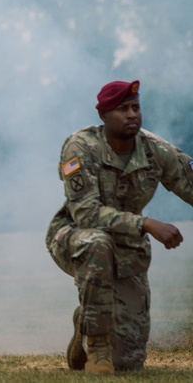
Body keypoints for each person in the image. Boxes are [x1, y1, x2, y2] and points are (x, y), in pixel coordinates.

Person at [46, 80, 193, 374]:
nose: (131, 115)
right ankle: (97, 347)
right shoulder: (80, 146)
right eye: (122, 109)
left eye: (136, 108)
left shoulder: (155, 150)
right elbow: (86, 213)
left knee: (127, 363)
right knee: (97, 243)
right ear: (103, 116)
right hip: (75, 237)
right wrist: (147, 223)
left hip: (127, 250)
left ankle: (86, 322)